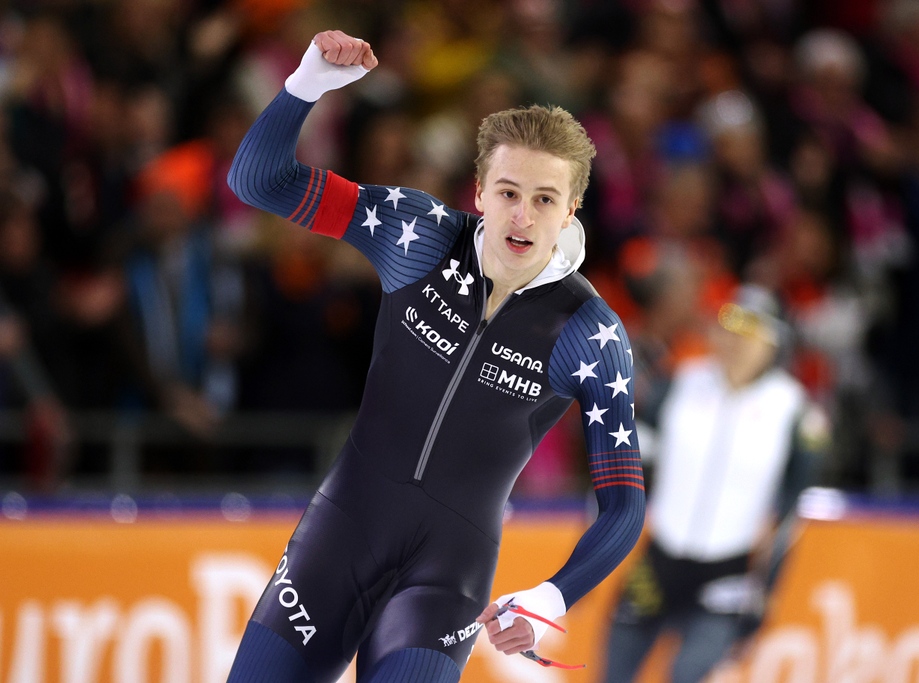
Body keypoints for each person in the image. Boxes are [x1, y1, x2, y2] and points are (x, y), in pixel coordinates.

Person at [225, 29, 645, 683]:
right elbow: (257, 180)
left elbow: (624, 505)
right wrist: (306, 85)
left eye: (544, 199)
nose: (522, 218)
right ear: (478, 190)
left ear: (572, 211)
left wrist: (552, 596)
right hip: (339, 539)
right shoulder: (417, 235)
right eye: (508, 192)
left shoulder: (588, 334)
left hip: (444, 581)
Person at [601, 284, 827, 683]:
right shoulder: (680, 383)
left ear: (773, 342)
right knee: (612, 673)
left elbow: (790, 517)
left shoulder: (792, 411)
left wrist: (765, 593)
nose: (737, 341)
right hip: (659, 561)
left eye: (751, 331)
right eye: (729, 326)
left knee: (687, 675)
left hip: (726, 575)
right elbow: (625, 470)